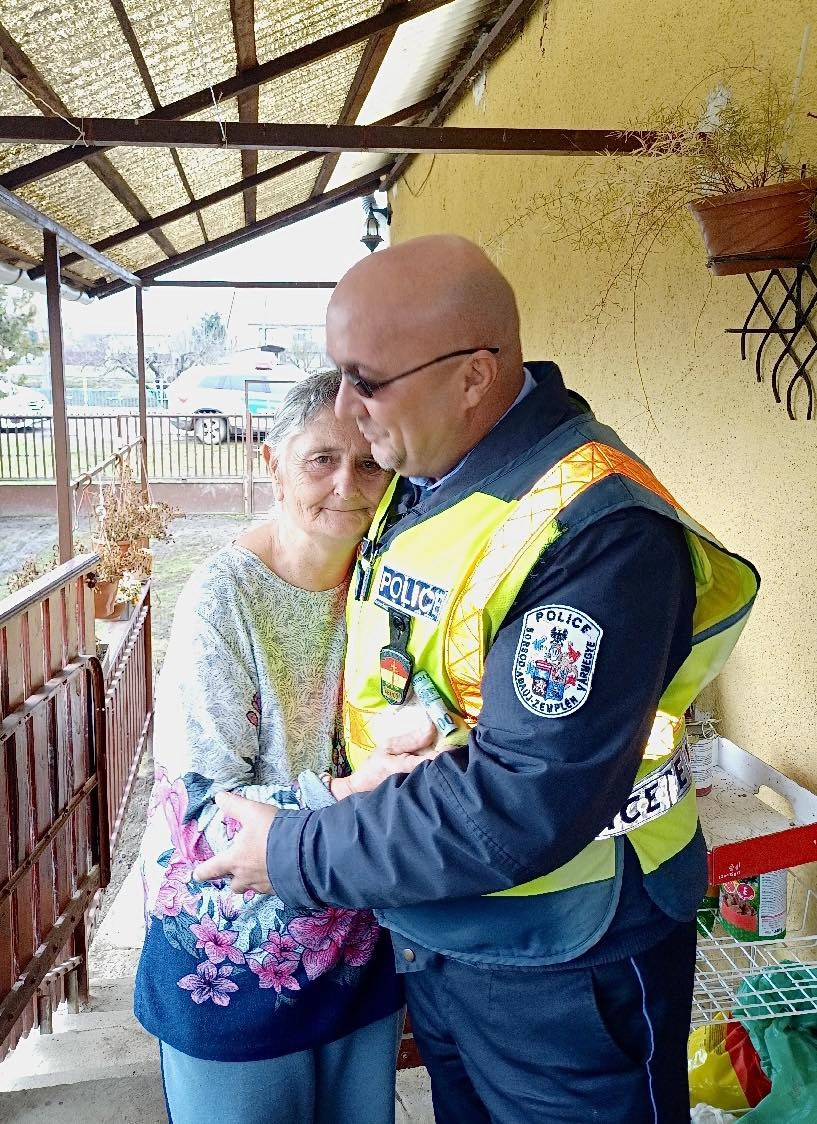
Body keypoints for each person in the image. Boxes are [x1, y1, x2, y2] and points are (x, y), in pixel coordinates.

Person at [194, 236, 760, 1124]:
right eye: (337, 374)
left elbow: (522, 799)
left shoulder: (595, 531)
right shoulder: (431, 470)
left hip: (567, 955)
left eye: (366, 380)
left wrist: (298, 851)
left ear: (471, 376)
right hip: (444, 928)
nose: (347, 409)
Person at [134, 368, 438, 1124]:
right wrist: (350, 791)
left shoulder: (389, 581)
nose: (347, 484)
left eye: (368, 462)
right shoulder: (222, 598)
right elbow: (204, 811)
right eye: (320, 460)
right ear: (272, 463)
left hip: (353, 947)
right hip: (231, 956)